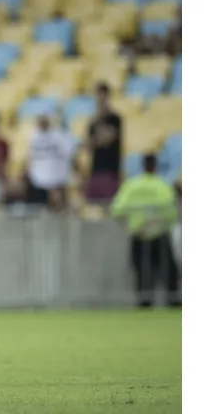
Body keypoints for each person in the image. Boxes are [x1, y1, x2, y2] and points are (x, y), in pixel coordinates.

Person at [110, 154, 181, 308]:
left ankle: (144, 302)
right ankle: (173, 300)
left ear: (142, 165)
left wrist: (133, 224)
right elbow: (172, 212)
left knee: (141, 270)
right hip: (159, 233)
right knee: (167, 270)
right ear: (156, 166)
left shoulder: (132, 185)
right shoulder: (162, 184)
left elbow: (116, 209)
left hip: (138, 234)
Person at [25, 115, 77, 212]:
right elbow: (31, 157)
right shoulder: (34, 136)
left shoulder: (60, 135)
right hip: (39, 181)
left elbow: (70, 153)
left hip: (58, 177)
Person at [85, 82, 123, 204]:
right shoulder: (93, 122)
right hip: (95, 170)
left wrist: (99, 121)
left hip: (110, 171)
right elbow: (89, 145)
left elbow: (106, 139)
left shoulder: (115, 119)